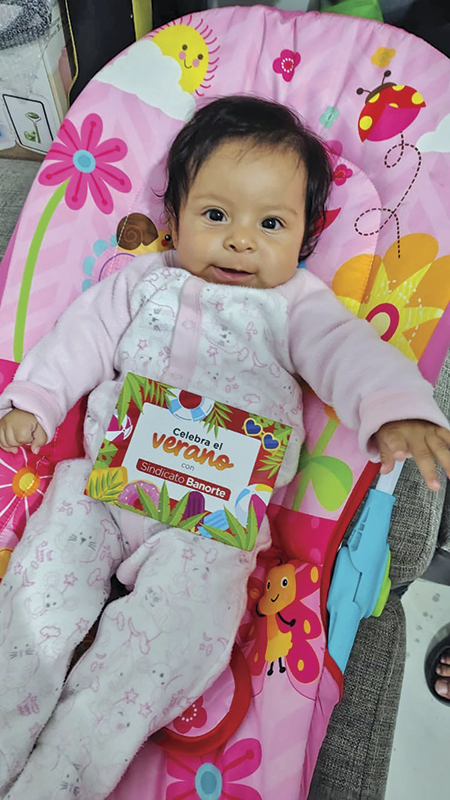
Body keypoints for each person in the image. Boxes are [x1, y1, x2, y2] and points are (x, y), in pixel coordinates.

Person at [0, 95, 448, 800]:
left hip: (210, 525)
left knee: (176, 633)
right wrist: (35, 399)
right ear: (175, 217)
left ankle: (62, 776)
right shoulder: (145, 283)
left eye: (270, 224)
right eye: (216, 215)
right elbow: (79, 338)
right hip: (103, 490)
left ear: (304, 238)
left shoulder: (298, 307)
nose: (241, 240)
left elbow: (352, 355)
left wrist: (396, 410)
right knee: (37, 598)